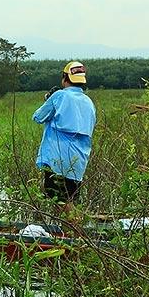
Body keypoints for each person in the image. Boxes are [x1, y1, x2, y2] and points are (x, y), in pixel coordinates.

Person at [32, 61, 96, 204]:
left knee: (59, 200)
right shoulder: (89, 102)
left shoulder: (59, 95)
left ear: (65, 78)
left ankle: (75, 226)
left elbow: (38, 117)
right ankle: (73, 225)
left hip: (58, 159)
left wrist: (49, 99)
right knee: (70, 200)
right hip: (79, 160)